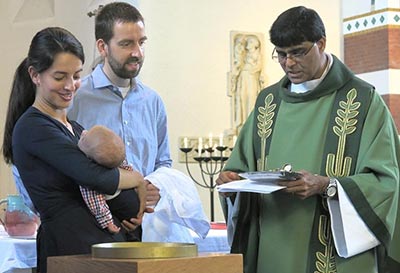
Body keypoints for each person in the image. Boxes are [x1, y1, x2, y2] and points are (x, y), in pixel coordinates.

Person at [216, 6, 400, 273]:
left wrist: (327, 186)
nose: (289, 63)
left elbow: (386, 182)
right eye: (281, 54)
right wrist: (230, 180)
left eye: (298, 52)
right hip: (273, 245)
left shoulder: (362, 101)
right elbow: (241, 167)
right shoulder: (268, 102)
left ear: (321, 43)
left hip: (336, 254)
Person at [2, 27, 147, 273]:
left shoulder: (78, 130)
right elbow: (95, 177)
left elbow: (111, 183)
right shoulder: (33, 127)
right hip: (70, 250)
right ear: (35, 75)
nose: (71, 85)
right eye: (60, 77)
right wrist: (136, 178)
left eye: (77, 75)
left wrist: (131, 199)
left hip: (103, 249)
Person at [68, 2, 173, 236]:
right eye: (126, 44)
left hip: (146, 226)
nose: (137, 52)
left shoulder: (152, 101)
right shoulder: (76, 98)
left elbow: (163, 163)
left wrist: (156, 187)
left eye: (141, 42)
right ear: (102, 47)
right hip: (92, 226)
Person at [77, 125, 140, 235]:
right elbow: (127, 168)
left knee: (130, 232)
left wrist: (107, 222)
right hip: (133, 199)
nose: (83, 133)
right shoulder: (114, 160)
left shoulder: (92, 177)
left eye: (84, 139)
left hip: (122, 206)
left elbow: (96, 203)